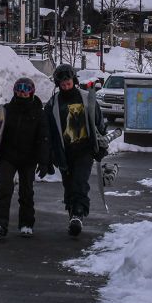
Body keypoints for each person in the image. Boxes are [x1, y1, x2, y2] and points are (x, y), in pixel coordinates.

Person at [45, 64, 107, 237]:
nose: (66, 86)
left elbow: (99, 123)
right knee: (69, 184)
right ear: (58, 85)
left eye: (69, 83)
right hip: (64, 152)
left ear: (74, 81)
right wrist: (49, 156)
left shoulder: (87, 98)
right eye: (63, 84)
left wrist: (101, 145)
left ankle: (79, 213)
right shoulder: (52, 104)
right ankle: (73, 213)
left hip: (84, 149)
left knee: (80, 181)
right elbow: (48, 132)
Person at [0, 77, 51, 238]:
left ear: (31, 91)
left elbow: (43, 138)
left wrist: (44, 161)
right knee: (5, 188)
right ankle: (0, 223)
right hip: (8, 156)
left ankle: (26, 224)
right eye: (19, 89)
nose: (22, 92)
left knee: (26, 191)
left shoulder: (38, 112)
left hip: (28, 158)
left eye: (26, 89)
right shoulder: (7, 110)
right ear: (15, 90)